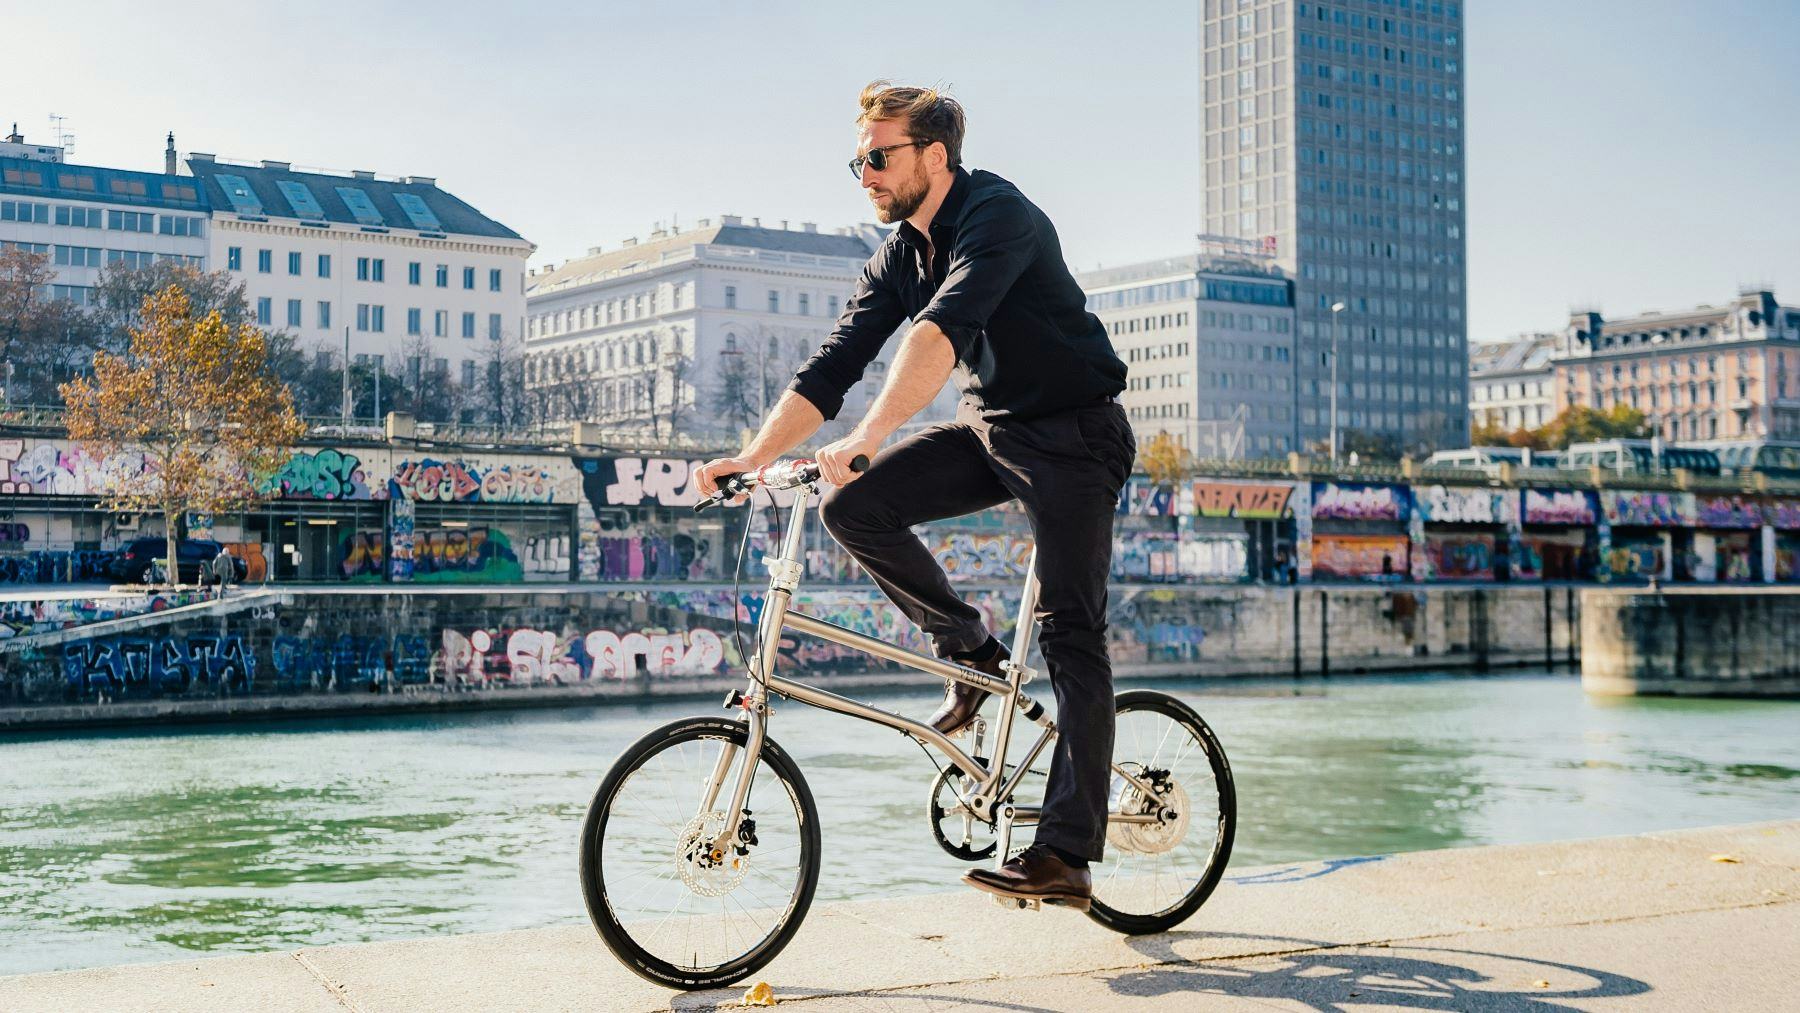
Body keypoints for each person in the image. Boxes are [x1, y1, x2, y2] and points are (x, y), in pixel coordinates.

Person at [695, 81, 1133, 913]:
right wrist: (747, 457)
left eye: (876, 155)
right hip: (994, 429)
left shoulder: (996, 214)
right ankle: (969, 651)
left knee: (1072, 631)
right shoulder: (900, 251)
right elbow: (835, 361)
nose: (862, 172)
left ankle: (1067, 855)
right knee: (852, 508)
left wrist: (870, 437)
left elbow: (939, 333)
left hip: (1077, 435)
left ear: (934, 157)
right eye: (855, 158)